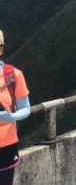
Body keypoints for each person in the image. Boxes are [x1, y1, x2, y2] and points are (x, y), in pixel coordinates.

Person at [0, 29, 31, 185]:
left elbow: (26, 108)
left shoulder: (13, 75)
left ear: (1, 49)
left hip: (6, 144)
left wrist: (11, 117)